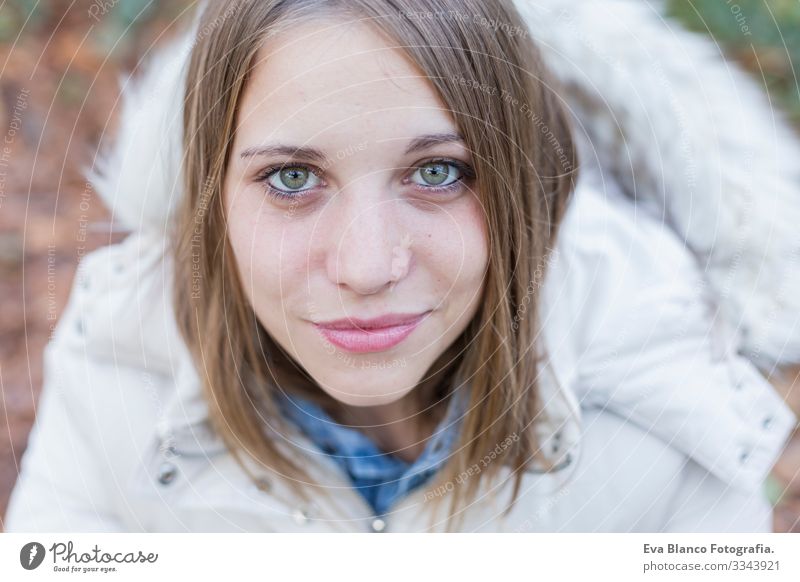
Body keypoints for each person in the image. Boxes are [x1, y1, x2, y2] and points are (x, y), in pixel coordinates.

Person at [4, 0, 798, 533]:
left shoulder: (660, 381)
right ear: (210, 195)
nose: (366, 266)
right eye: (292, 178)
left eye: (439, 172)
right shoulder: (122, 354)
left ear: (521, 181)